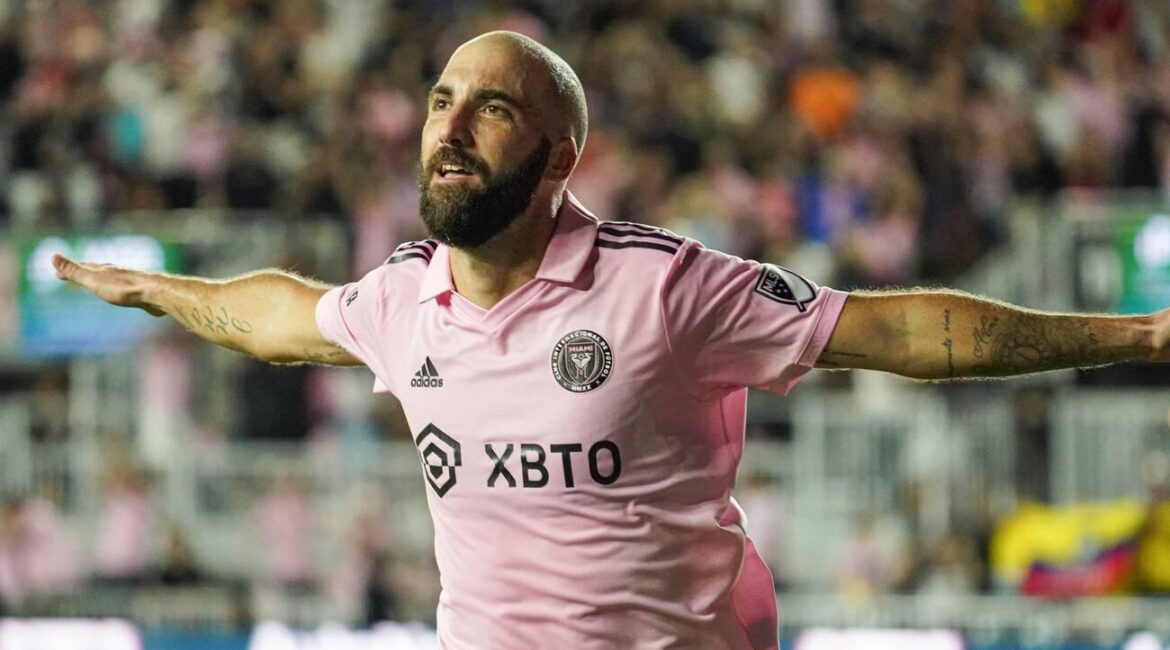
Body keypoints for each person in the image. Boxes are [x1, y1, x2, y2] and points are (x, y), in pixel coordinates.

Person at [54, 31, 1168, 650]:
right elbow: (279, 318)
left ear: (557, 160)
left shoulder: (665, 287)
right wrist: (166, 293)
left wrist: (1139, 331)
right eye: (443, 97)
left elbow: (903, 329)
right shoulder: (403, 297)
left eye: (491, 107)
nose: (450, 122)